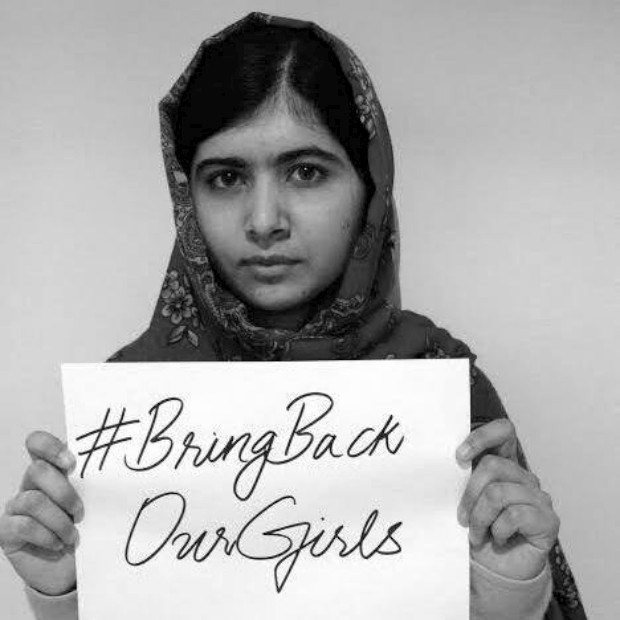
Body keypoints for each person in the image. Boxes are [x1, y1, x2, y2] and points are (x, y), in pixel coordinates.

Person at [0, 11, 587, 620]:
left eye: (306, 172)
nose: (263, 221)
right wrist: (62, 590)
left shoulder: (443, 389)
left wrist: (507, 584)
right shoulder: (130, 415)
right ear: (185, 195)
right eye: (226, 178)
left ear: (370, 185)